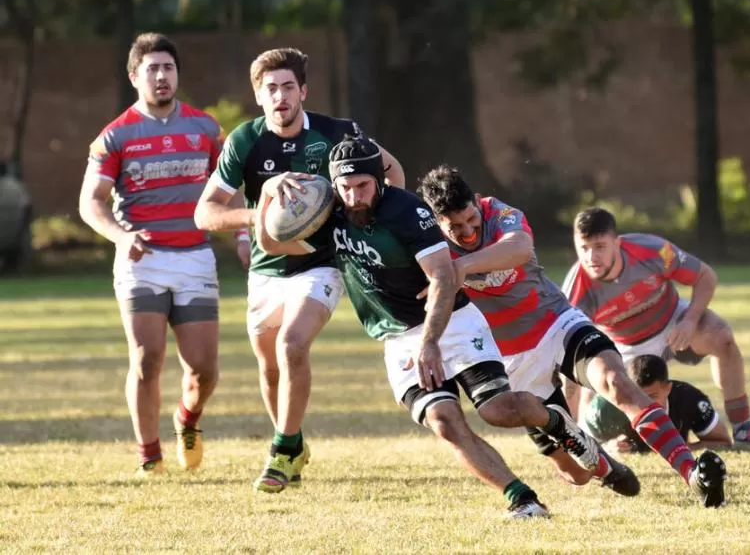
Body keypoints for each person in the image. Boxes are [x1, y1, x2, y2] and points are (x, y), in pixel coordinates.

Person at [255, 136, 620, 518]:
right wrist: (267, 193)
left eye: (362, 186)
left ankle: (558, 423)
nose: (354, 196)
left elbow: (444, 277)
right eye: (345, 188)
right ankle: (523, 499)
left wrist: (430, 343)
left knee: (497, 410)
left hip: (453, 320)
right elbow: (275, 244)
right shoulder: (331, 215)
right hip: (397, 337)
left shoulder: (407, 212)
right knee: (444, 423)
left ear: (379, 180)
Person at [416, 165, 728, 508]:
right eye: (455, 227)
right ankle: (603, 462)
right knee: (576, 472)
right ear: (437, 223)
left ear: (477, 203)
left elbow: (519, 247)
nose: (468, 232)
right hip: (511, 359)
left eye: (471, 220)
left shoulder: (500, 213)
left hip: (555, 322)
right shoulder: (430, 245)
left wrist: (457, 269)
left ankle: (692, 473)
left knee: (616, 381)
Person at [193, 48, 406, 492]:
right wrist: (262, 208)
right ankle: (293, 442)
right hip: (266, 269)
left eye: (288, 86)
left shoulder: (338, 134)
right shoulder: (244, 141)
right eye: (271, 88)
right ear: (259, 96)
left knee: (292, 345)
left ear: (303, 91)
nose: (280, 96)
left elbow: (394, 175)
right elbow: (205, 213)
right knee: (269, 366)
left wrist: (368, 226)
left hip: (322, 265)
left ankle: (282, 450)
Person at [78, 32, 248, 475]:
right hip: (142, 261)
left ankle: (187, 418)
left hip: (195, 259)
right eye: (151, 69)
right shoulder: (114, 136)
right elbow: (91, 202)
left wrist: (244, 238)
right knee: (146, 359)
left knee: (204, 371)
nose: (161, 77)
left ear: (177, 75)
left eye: (168, 68)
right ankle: (149, 455)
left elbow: (232, 191)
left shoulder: (207, 129)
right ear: (135, 76)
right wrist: (119, 236)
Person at [563, 207, 750, 446]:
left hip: (672, 321)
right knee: (593, 379)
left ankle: (744, 429)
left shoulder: (651, 250)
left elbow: (705, 276)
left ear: (617, 243)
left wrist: (689, 321)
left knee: (721, 336)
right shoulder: (577, 291)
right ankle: (590, 441)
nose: (591, 257)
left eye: (600, 247)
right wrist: (571, 426)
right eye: (584, 248)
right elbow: (572, 359)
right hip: (623, 345)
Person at [581, 355, 732, 454]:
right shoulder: (608, 406)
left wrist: (686, 449)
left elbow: (723, 442)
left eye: (652, 396)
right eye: (637, 396)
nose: (645, 403)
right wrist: (609, 447)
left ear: (668, 388)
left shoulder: (689, 399)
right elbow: (582, 447)